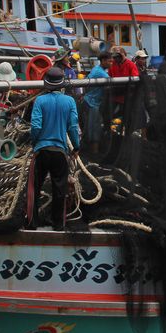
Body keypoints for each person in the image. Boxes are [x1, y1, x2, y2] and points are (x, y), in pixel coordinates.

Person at [29, 67, 80, 230]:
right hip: (60, 152)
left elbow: (35, 126)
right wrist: (76, 146)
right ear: (62, 84)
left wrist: (34, 143)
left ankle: (31, 223)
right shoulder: (70, 101)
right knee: (60, 189)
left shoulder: (40, 101)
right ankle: (58, 225)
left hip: (42, 150)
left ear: (47, 84)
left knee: (34, 188)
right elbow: (73, 127)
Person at [82, 51, 111, 153]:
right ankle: (94, 152)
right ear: (103, 61)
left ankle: (91, 150)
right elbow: (110, 82)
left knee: (91, 126)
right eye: (109, 61)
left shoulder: (97, 69)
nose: (111, 63)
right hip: (92, 103)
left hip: (91, 101)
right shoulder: (101, 72)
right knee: (94, 127)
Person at [108, 45, 138, 117]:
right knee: (111, 115)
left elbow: (135, 79)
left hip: (127, 96)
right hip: (115, 95)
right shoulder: (112, 64)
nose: (117, 58)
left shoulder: (130, 65)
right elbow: (109, 76)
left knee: (126, 116)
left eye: (119, 55)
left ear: (124, 54)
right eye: (115, 56)